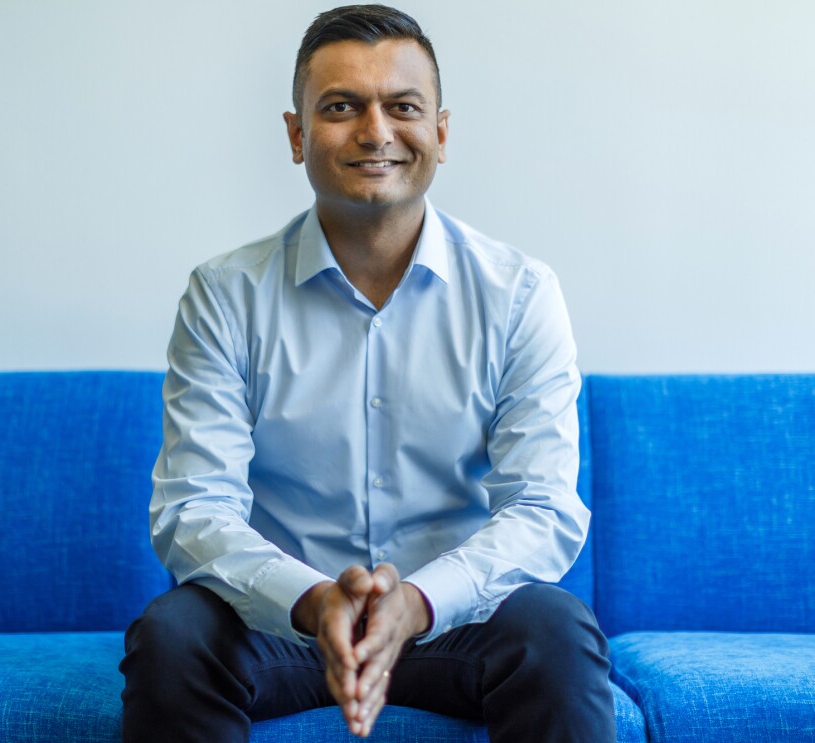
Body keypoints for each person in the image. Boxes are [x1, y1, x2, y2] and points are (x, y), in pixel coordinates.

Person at [120, 5, 617, 741]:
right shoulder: (225, 294)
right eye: (341, 107)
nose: (375, 131)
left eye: (402, 107)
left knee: (554, 627)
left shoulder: (518, 293)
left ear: (439, 133)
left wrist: (415, 600)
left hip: (457, 624)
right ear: (296, 135)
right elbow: (192, 509)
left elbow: (541, 509)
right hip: (285, 627)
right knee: (173, 630)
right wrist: (315, 600)